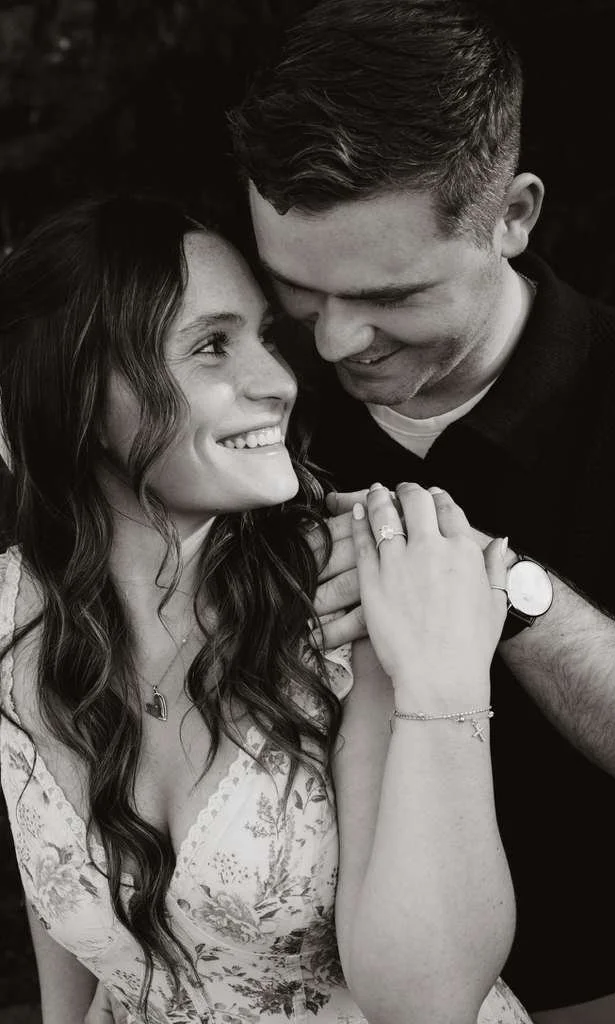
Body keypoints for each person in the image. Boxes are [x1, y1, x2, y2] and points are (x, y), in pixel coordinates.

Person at [228, 0, 615, 1020]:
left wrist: (497, 594)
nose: (337, 343)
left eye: (392, 296)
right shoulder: (251, 389)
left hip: (612, 990)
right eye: (298, 289)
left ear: (513, 215)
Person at [0, 193, 528, 1024]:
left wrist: (444, 677)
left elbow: (427, 1003)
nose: (279, 382)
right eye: (212, 346)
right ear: (78, 400)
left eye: (264, 338)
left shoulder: (346, 598)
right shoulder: (13, 616)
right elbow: (57, 896)